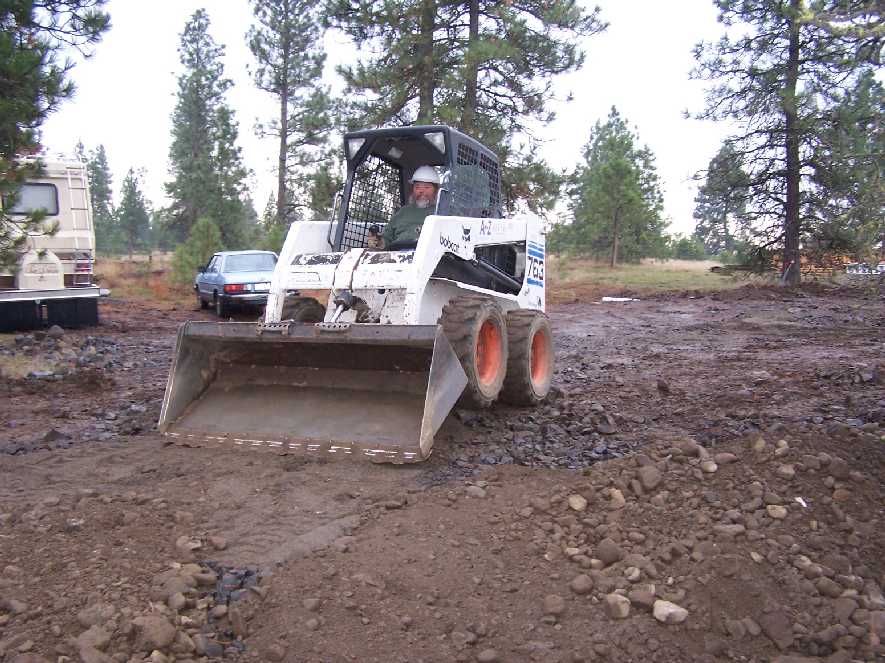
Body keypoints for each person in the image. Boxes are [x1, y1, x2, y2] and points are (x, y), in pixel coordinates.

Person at [367, 166, 439, 249]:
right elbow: (386, 238)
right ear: (412, 190)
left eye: (427, 187)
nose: (421, 191)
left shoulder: (442, 212)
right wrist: (378, 242)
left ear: (436, 190)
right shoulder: (403, 212)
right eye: (417, 187)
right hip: (397, 255)